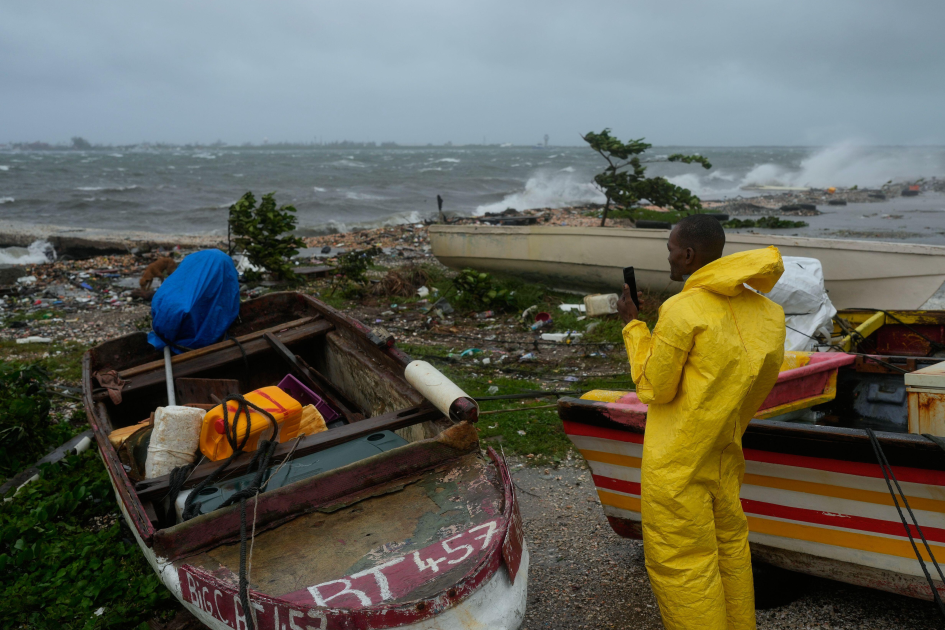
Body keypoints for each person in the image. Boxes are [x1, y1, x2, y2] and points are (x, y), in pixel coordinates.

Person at [616, 215, 786, 630]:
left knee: (684, 564)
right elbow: (756, 385)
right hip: (725, 452)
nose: (670, 257)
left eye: (671, 250)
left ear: (688, 253)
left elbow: (654, 388)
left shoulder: (683, 308)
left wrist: (633, 326)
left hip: (677, 463)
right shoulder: (769, 314)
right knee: (730, 548)